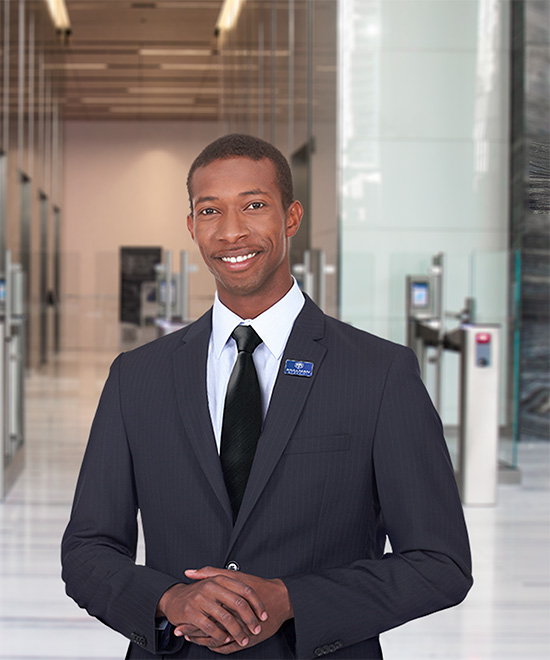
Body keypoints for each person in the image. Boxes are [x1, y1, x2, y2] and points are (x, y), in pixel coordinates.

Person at [61, 134, 472, 659]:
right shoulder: (136, 377)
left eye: (254, 206)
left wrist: (289, 599)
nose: (232, 231)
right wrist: (171, 598)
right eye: (210, 211)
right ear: (191, 226)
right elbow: (87, 550)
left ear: (291, 217)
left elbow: (440, 563)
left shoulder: (379, 372)